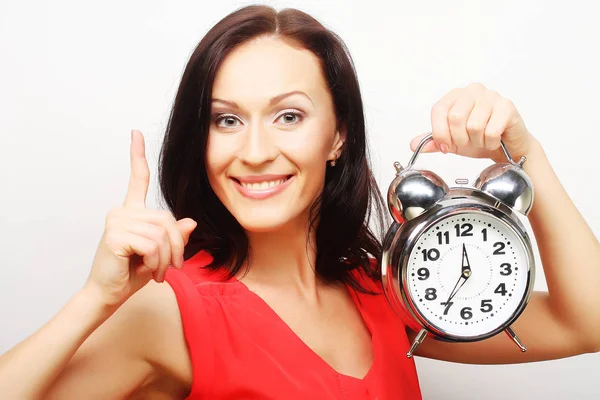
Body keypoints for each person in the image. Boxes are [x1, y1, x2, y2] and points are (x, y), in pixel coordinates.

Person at [1, 4, 599, 399]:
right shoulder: (169, 310)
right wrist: (93, 300)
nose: (255, 151)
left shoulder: (390, 291)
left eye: (289, 115)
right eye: (227, 120)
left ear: (338, 135)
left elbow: (586, 323)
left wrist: (526, 156)